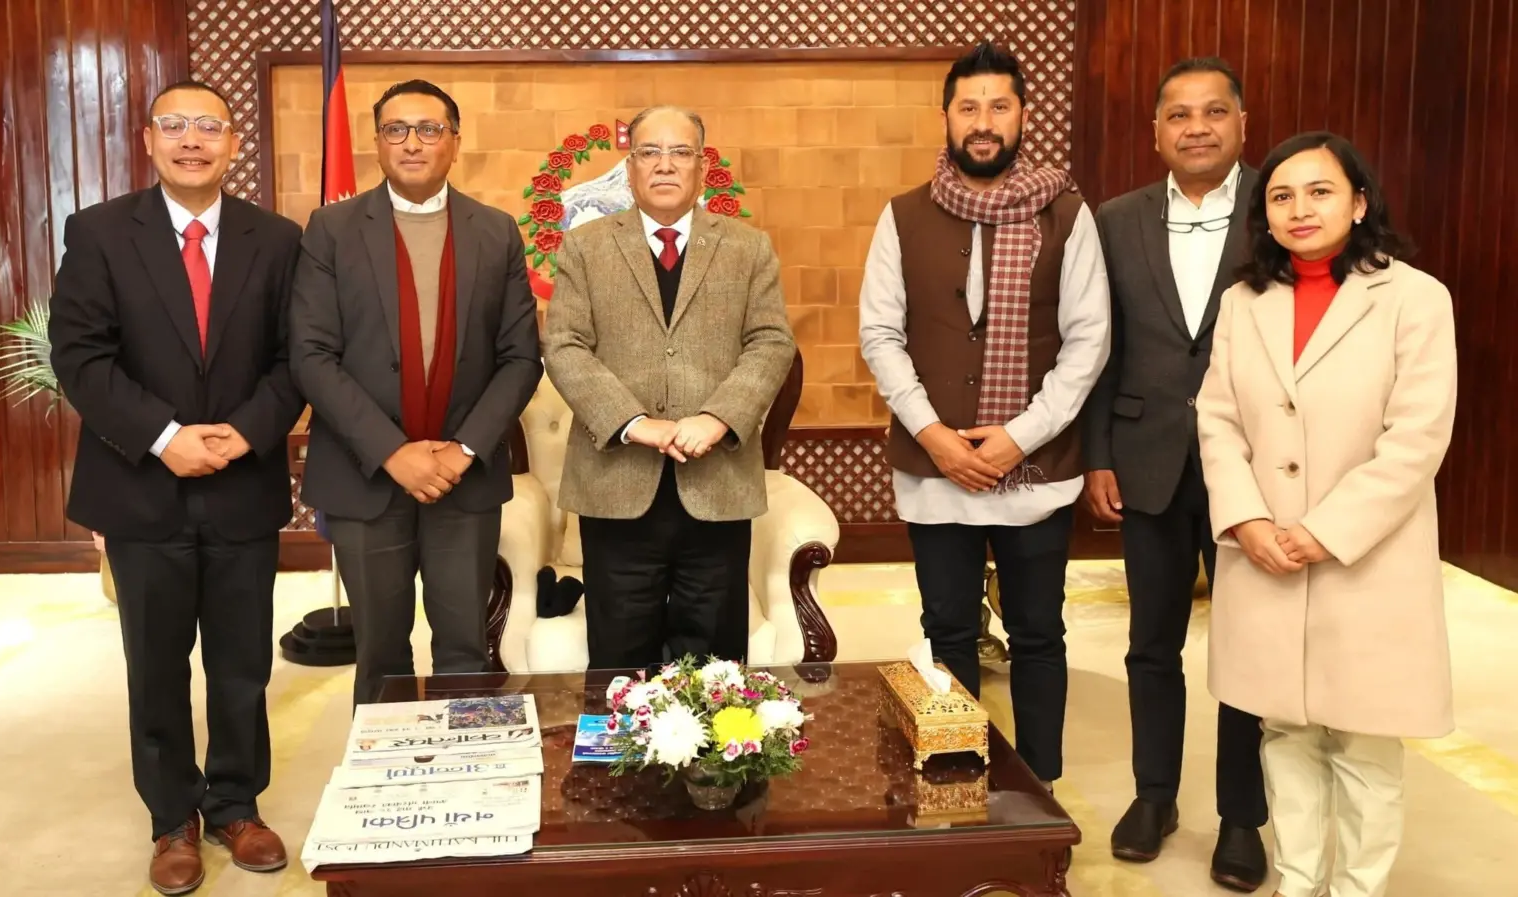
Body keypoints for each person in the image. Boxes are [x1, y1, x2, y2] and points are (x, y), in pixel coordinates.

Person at [48, 80, 303, 894]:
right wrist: (165, 437)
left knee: (242, 662)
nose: (192, 140)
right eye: (175, 125)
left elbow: (297, 355)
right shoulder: (98, 232)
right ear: (149, 139)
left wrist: (247, 431)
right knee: (155, 665)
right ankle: (171, 818)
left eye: (209, 127)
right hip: (140, 486)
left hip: (242, 480)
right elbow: (80, 355)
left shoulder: (278, 238)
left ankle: (236, 803)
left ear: (234, 144)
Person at [1197, 131, 1456, 897]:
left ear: (1360, 203)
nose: (1300, 208)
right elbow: (1217, 419)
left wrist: (1324, 530)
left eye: (1320, 191)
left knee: (1366, 743)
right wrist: (1246, 519)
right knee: (1284, 731)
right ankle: (1300, 879)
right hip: (1265, 551)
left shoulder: (1415, 298)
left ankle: (1357, 888)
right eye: (1281, 196)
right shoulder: (1244, 302)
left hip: (1367, 556)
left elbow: (1417, 436)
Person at [858, 42, 1110, 789]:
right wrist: (934, 435)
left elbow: (1089, 339)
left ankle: (1039, 789)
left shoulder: (1067, 215)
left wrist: (1018, 437)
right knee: (948, 629)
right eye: (968, 107)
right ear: (945, 116)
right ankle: (958, 783)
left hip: (1036, 468)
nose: (983, 122)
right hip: (934, 468)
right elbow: (880, 334)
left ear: (1023, 114)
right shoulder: (902, 216)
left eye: (999, 106)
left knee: (1037, 633)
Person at [290, 79, 542, 707]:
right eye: (396, 129)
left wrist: (463, 449)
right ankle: (388, 771)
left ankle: (464, 768)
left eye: (429, 129)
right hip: (364, 476)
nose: (412, 143)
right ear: (377, 142)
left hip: (465, 479)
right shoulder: (331, 229)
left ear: (455, 142)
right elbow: (311, 355)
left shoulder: (495, 232)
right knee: (381, 655)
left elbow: (520, 358)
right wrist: (392, 452)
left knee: (465, 649)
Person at [1081, 57, 1268, 889]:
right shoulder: (1115, 219)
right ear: (1155, 131)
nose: (1197, 128)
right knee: (1150, 644)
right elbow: (1099, 346)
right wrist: (1097, 454)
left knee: (1248, 650)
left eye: (1214, 112)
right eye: (1179, 115)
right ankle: (1154, 794)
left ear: (1242, 124)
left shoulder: (1278, 206)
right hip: (1146, 458)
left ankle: (1241, 816)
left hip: (1254, 469)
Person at [542, 105, 797, 672]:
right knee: (618, 664)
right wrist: (635, 423)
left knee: (714, 667)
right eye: (649, 152)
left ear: (702, 167)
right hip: (615, 486)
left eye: (680, 152)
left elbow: (772, 342)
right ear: (630, 167)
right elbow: (563, 345)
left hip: (717, 483)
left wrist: (719, 417)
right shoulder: (584, 246)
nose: (664, 164)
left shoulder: (748, 248)